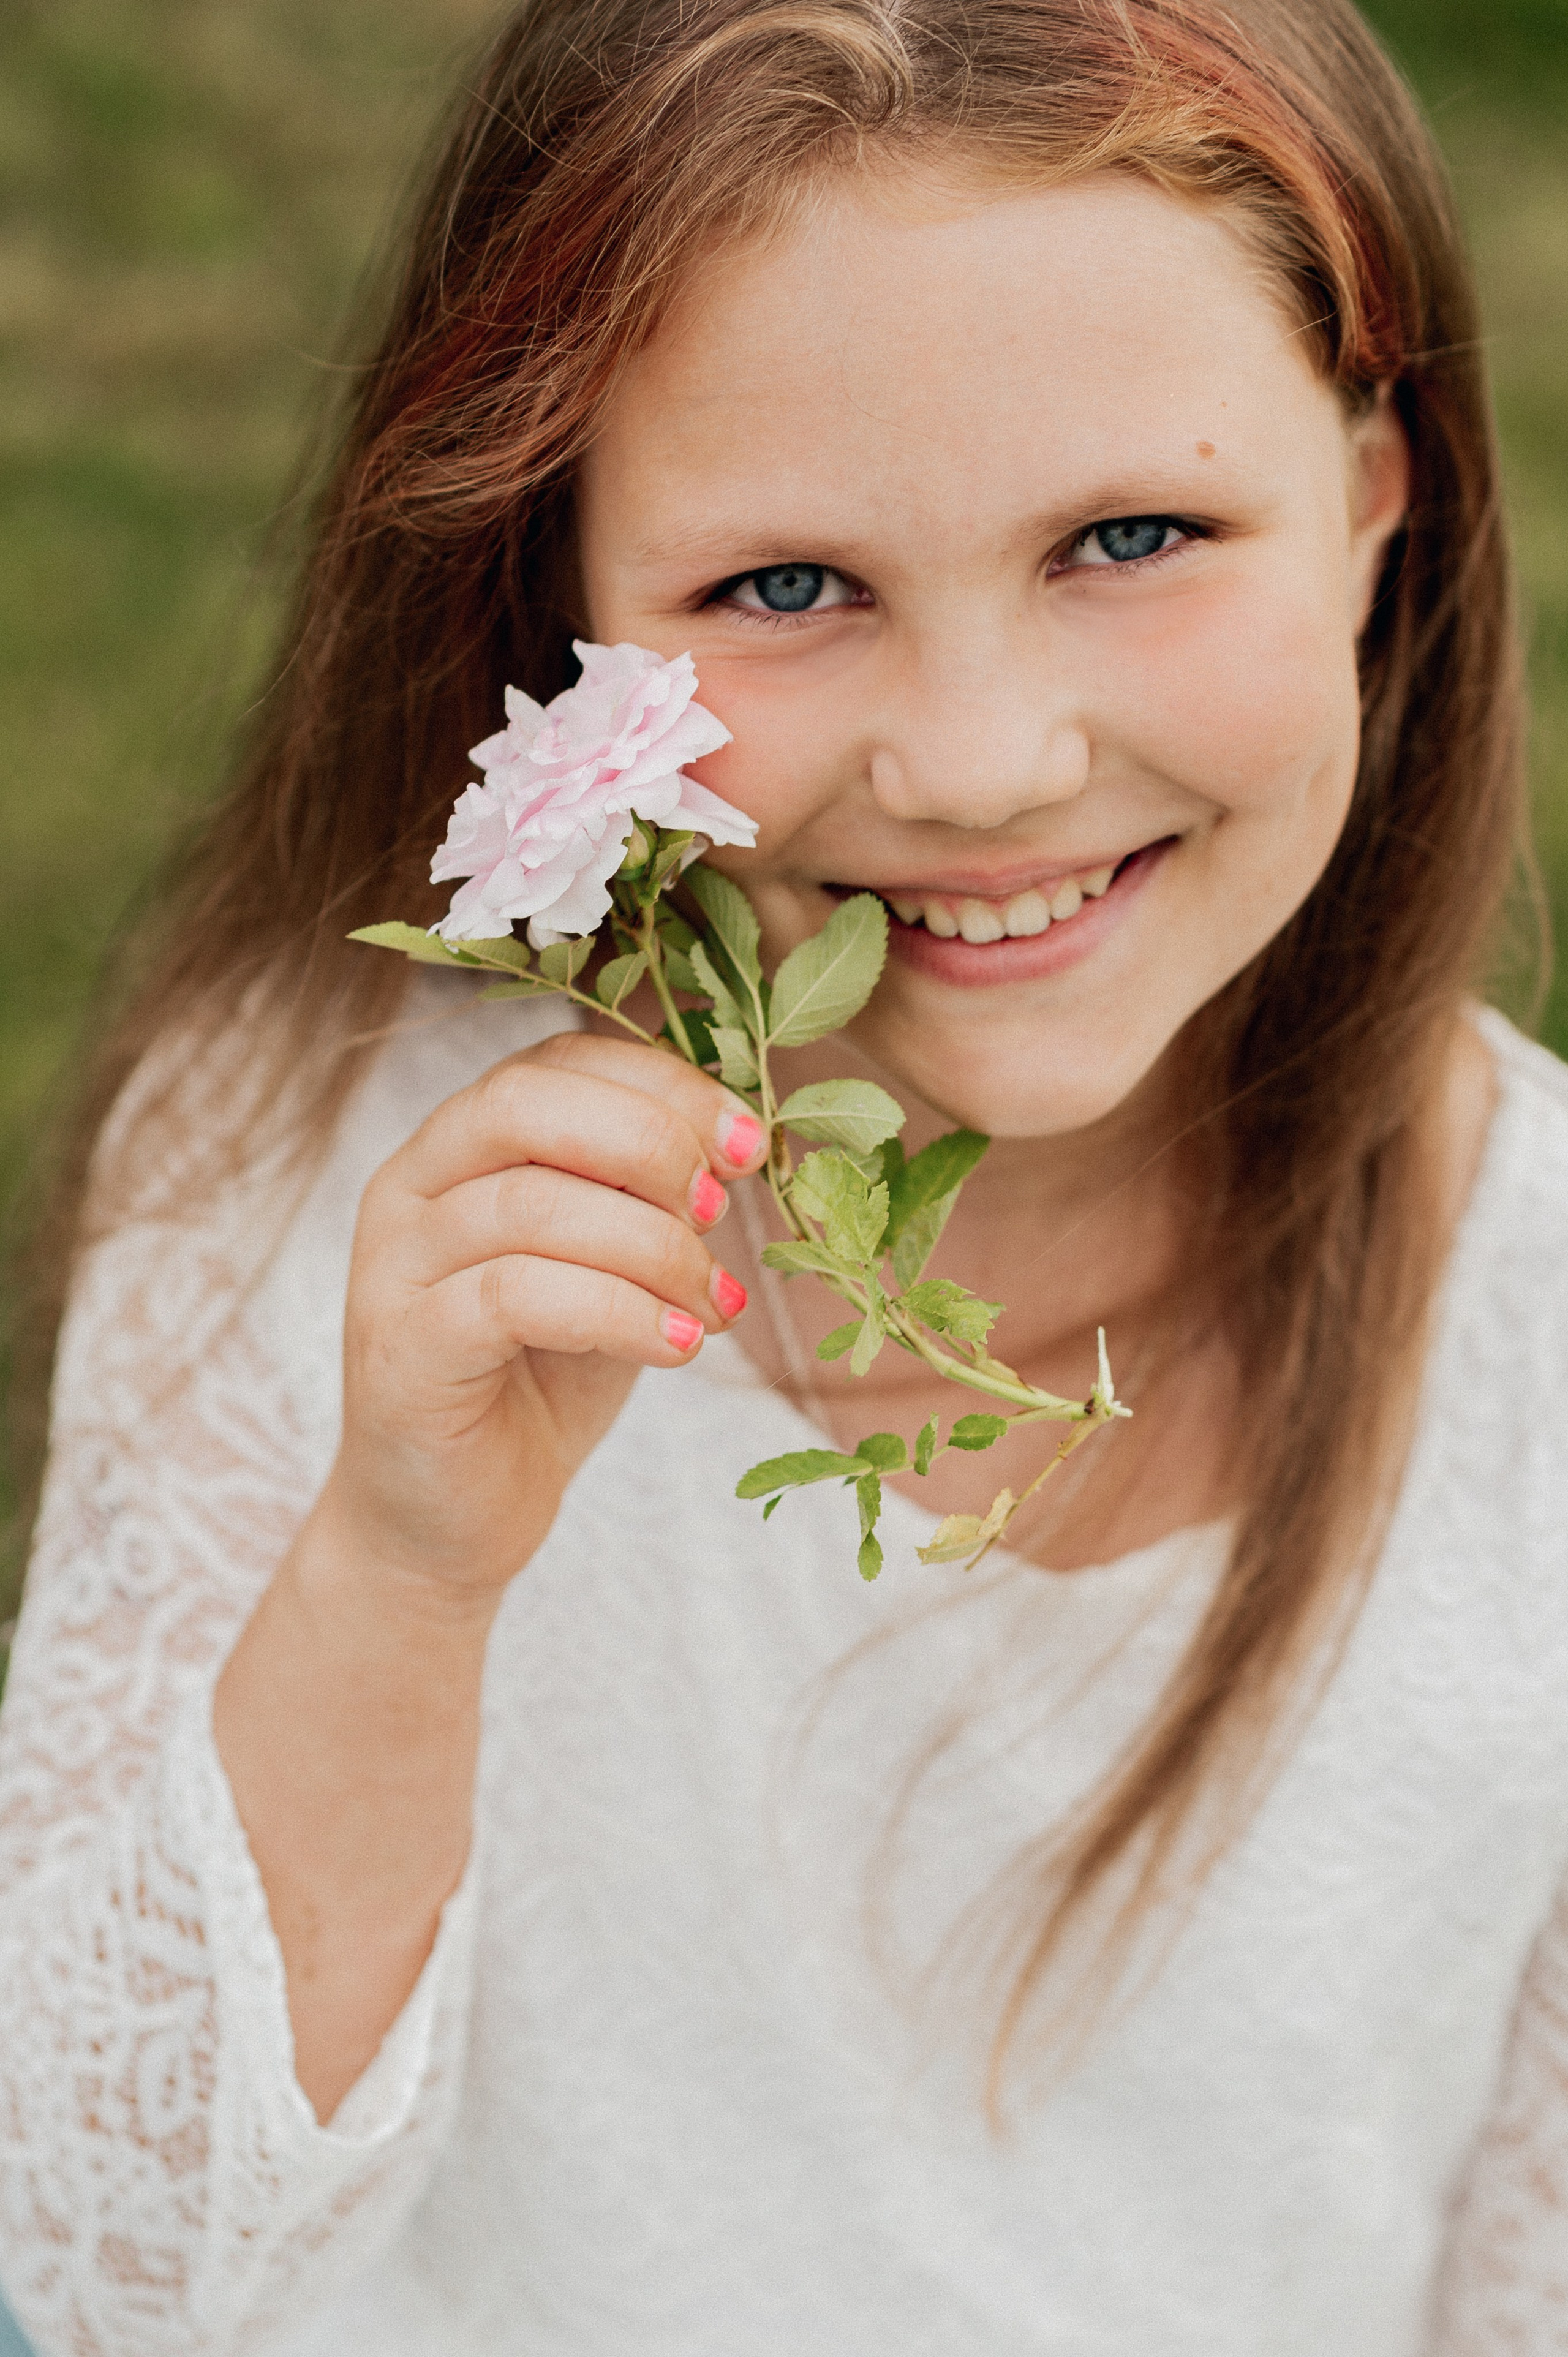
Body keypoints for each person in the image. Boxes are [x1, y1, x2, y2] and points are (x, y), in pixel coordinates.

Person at [1, 0, 1564, 2347]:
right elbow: (109, 2271)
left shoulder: (1535, 1329)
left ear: (1376, 493)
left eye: (1134, 533)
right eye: (787, 586)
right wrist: (401, 1580)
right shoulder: (315, 1166)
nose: (982, 759)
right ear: (570, 621)